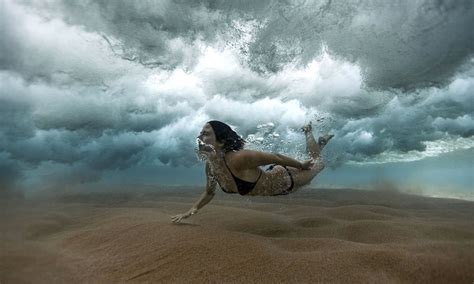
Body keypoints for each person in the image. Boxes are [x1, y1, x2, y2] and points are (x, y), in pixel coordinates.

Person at [171, 120, 333, 224]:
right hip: (274, 180)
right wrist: (191, 211)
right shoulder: (211, 166)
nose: (200, 136)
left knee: (318, 164)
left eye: (206, 133)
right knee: (314, 159)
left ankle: (308, 131)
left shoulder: (238, 159)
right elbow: (209, 193)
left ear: (221, 141)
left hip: (286, 179)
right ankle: (320, 143)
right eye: (200, 133)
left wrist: (301, 165)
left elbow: (275, 157)